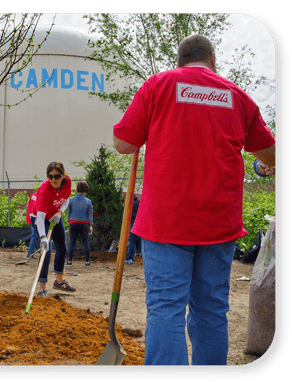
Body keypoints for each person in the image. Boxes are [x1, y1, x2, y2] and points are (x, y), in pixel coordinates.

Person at [112, 34, 276, 366]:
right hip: (219, 223)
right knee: (212, 307)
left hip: (166, 221)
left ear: (180, 61)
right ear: (213, 60)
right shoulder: (238, 97)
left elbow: (122, 144)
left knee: (165, 307)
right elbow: (270, 153)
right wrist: (264, 165)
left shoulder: (158, 85)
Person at [33, 162, 75, 297]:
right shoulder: (44, 189)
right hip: (43, 218)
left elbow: (66, 200)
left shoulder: (67, 182)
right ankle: (42, 288)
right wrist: (43, 237)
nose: (53, 179)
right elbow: (40, 217)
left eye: (57, 176)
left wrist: (60, 213)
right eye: (50, 176)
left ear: (63, 176)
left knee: (62, 248)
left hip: (56, 216)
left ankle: (59, 281)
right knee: (46, 251)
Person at [66, 181, 93, 267]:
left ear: (77, 189)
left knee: (72, 242)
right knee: (85, 242)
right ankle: (87, 262)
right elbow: (90, 215)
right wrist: (91, 225)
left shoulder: (71, 200)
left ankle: (69, 261)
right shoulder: (88, 201)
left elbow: (68, 213)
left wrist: (69, 222)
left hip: (73, 223)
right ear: (86, 190)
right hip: (84, 223)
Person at [125, 193, 141, 265]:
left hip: (132, 223)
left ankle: (130, 258)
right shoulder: (139, 203)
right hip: (140, 223)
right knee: (140, 239)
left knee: (132, 241)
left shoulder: (129, 205)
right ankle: (139, 253)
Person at [25, 191, 40, 259]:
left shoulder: (33, 195)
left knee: (35, 236)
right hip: (35, 218)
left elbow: (29, 205)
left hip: (31, 218)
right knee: (35, 236)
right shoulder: (40, 197)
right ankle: (30, 253)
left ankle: (32, 252)